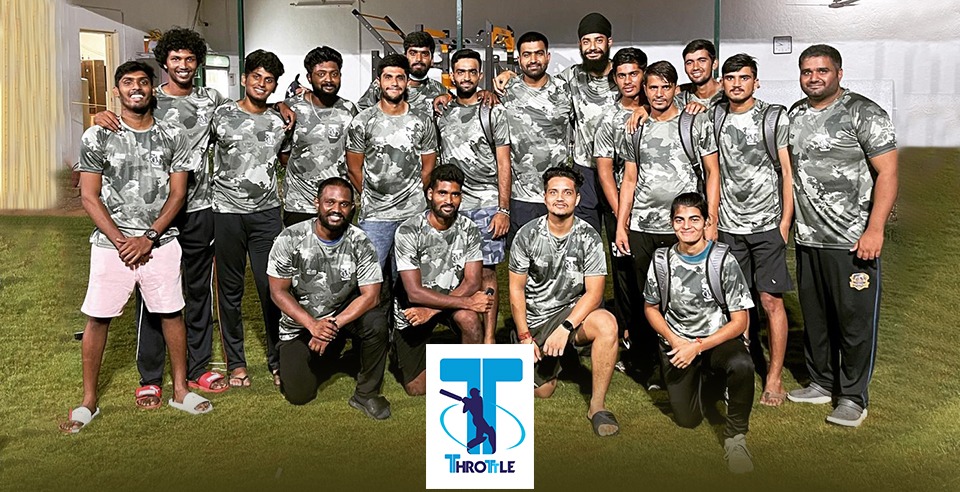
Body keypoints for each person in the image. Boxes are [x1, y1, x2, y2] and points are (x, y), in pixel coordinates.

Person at [61, 61, 212, 433]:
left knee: (171, 313)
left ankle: (180, 390)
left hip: (160, 242)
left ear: (151, 89)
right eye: (128, 82)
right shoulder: (97, 135)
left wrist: (149, 237)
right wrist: (120, 241)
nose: (136, 88)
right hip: (110, 246)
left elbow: (178, 194)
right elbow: (89, 195)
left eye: (143, 82)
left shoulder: (172, 134)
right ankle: (88, 402)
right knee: (98, 317)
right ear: (117, 92)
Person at [786, 45, 898, 427]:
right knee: (816, 320)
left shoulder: (863, 113)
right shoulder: (795, 115)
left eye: (822, 70)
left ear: (839, 73)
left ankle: (852, 397)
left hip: (852, 242)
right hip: (808, 239)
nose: (814, 78)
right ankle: (821, 382)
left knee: (853, 323)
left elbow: (888, 173)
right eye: (807, 71)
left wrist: (875, 229)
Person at [615, 60, 719, 388]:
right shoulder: (635, 126)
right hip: (643, 226)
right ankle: (647, 365)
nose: (659, 94)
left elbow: (712, 172)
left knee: (684, 297)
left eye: (665, 87)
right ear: (644, 90)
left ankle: (687, 362)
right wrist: (621, 224)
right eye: (653, 87)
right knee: (646, 299)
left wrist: (710, 220)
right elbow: (629, 179)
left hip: (683, 228)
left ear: (676, 88)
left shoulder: (694, 123)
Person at [643, 192, 756, 473]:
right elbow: (651, 308)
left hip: (716, 339)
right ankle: (710, 383)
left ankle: (736, 438)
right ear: (672, 223)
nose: (687, 226)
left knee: (742, 364)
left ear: (706, 222)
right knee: (688, 419)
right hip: (678, 343)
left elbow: (740, 320)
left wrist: (698, 346)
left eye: (694, 219)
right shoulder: (661, 260)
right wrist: (675, 340)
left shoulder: (722, 259)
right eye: (679, 220)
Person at [267, 177, 391, 419]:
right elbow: (278, 292)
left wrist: (331, 326)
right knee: (299, 395)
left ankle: (366, 394)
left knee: (376, 322)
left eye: (344, 204)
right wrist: (313, 326)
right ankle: (325, 356)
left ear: (352, 207)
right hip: (301, 324)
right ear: (317, 203)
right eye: (330, 202)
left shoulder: (360, 241)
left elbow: (372, 296)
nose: (336, 209)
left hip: (341, 319)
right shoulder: (290, 238)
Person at [509, 166, 620, 437]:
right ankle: (538, 358)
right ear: (544, 197)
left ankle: (597, 406)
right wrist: (524, 336)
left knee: (607, 323)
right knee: (543, 391)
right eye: (554, 192)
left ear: (577, 199)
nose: (560, 198)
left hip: (572, 317)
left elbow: (595, 293)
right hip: (536, 320)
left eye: (567, 193)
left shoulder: (589, 236)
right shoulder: (527, 234)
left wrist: (565, 328)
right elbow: (516, 290)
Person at [714, 53, 794, 407]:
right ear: (723, 82)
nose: (736, 84)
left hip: (766, 225)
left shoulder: (772, 117)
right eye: (730, 78)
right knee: (738, 303)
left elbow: (787, 172)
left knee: (770, 300)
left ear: (756, 81)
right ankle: (742, 372)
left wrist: (785, 222)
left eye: (744, 77)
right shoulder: (715, 115)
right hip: (729, 227)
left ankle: (774, 376)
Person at [211, 49, 289, 388]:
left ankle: (278, 360)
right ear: (244, 79)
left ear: (274, 86)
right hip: (226, 213)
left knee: (271, 288)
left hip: (266, 215)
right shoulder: (221, 115)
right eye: (256, 76)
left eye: (269, 80)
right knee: (230, 292)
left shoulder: (280, 121)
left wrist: (284, 106)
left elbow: (286, 159)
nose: (261, 83)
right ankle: (237, 364)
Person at [392, 165, 491, 396]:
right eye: (442, 193)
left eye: (455, 194)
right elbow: (414, 292)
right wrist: (466, 302)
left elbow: (472, 282)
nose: (449, 200)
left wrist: (432, 311)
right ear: (430, 194)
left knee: (469, 320)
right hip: (414, 307)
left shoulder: (469, 229)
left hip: (447, 301)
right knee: (417, 389)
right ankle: (402, 350)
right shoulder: (408, 231)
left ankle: (470, 378)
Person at [436, 48, 511, 343]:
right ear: (452, 75)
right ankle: (468, 332)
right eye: (460, 71)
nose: (466, 77)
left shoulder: (493, 110)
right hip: (451, 204)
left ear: (480, 75)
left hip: (486, 204)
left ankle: (489, 339)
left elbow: (504, 162)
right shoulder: (442, 111)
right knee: (455, 273)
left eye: (471, 71)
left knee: (487, 273)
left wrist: (503, 209)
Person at [346, 53, 438, 275]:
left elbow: (428, 167)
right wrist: (373, 197)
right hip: (375, 216)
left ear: (407, 81)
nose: (394, 83)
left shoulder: (422, 120)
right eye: (388, 77)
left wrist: (413, 195)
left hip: (412, 214)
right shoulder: (363, 121)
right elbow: (354, 168)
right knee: (370, 277)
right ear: (378, 82)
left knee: (410, 280)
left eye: (399, 77)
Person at [593, 47, 647, 370]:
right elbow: (604, 171)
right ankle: (630, 342)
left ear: (644, 74)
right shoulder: (608, 119)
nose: (628, 81)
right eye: (622, 75)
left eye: (634, 74)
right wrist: (620, 217)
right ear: (615, 78)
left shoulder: (660, 107)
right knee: (625, 276)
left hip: (658, 212)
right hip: (620, 210)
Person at [497, 31, 573, 243]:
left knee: (560, 257)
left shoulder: (564, 90)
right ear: (519, 59)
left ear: (548, 57)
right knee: (522, 257)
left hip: (558, 194)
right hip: (521, 195)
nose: (533, 60)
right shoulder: (506, 90)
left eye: (539, 53)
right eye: (527, 54)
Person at [281, 46, 358, 226]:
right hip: (300, 204)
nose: (328, 80)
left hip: (337, 204)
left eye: (334, 74)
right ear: (309, 77)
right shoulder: (293, 108)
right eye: (321, 74)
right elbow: (284, 155)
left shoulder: (349, 110)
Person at [558, 12, 620, 234]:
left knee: (620, 238)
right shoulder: (572, 76)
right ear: (580, 45)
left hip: (619, 171)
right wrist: (510, 78)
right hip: (585, 170)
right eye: (586, 41)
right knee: (585, 237)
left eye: (598, 40)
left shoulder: (624, 75)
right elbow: (541, 87)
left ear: (609, 42)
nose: (592, 47)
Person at [357, 31, 449, 118]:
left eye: (424, 54)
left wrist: (447, 97)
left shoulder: (439, 90)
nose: (418, 59)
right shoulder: (384, 85)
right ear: (405, 56)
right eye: (413, 53)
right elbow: (361, 115)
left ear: (432, 59)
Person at [678, 39, 724, 107]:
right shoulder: (680, 98)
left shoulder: (728, 95)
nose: (695, 67)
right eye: (689, 63)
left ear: (714, 64)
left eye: (702, 61)